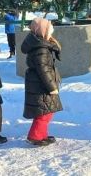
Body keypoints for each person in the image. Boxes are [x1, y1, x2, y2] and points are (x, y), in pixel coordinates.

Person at [22, 18, 63, 146]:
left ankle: (42, 134)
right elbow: (43, 70)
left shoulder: (41, 45)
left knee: (45, 111)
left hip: (39, 84)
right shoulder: (41, 49)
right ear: (42, 32)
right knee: (44, 113)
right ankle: (35, 136)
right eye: (49, 31)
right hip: (41, 86)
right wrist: (52, 87)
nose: (51, 34)